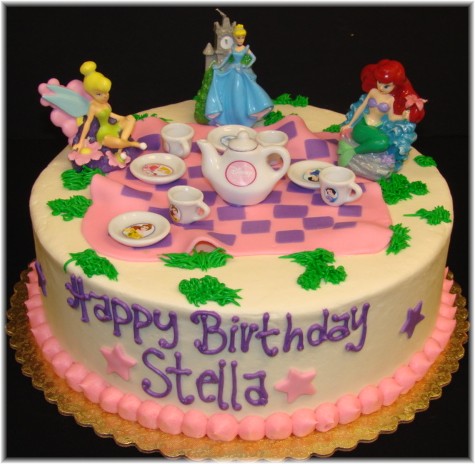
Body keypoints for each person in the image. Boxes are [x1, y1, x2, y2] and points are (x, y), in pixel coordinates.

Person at [338, 59, 426, 169]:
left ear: (395, 85)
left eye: (386, 86)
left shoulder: (390, 99)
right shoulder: (373, 92)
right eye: (379, 82)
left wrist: (404, 117)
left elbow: (391, 117)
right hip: (363, 125)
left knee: (383, 143)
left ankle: (351, 151)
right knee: (382, 142)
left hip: (376, 128)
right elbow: (361, 108)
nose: (380, 87)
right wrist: (350, 124)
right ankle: (353, 152)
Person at [73, 61, 146, 158]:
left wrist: (123, 118)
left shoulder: (106, 104)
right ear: (90, 93)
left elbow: (110, 114)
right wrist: (81, 142)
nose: (105, 96)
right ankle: (133, 144)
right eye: (99, 94)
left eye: (106, 92)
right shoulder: (93, 106)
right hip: (104, 135)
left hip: (113, 127)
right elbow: (88, 123)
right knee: (114, 141)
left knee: (131, 118)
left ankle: (121, 147)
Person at [205, 24, 273, 127]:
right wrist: (219, 66)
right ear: (234, 37)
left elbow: (253, 58)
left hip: (241, 72)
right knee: (231, 94)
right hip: (232, 71)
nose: (241, 40)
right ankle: (230, 118)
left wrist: (246, 65)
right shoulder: (232, 48)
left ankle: (244, 119)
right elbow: (227, 59)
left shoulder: (245, 48)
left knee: (242, 93)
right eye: (238, 37)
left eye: (243, 37)